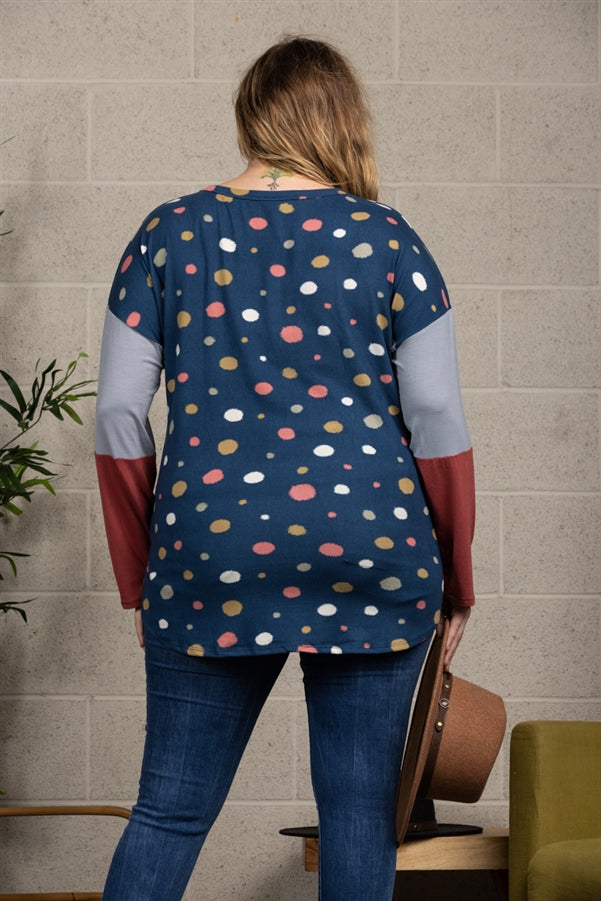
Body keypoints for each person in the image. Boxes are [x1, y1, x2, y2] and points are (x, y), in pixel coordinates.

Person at [95, 35, 475, 901]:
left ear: (250, 120)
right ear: (342, 122)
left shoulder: (168, 233)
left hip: (210, 552)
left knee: (170, 810)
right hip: (371, 549)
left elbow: (116, 414)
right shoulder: (389, 241)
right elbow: (436, 417)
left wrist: (139, 570)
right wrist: (456, 574)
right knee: (358, 817)